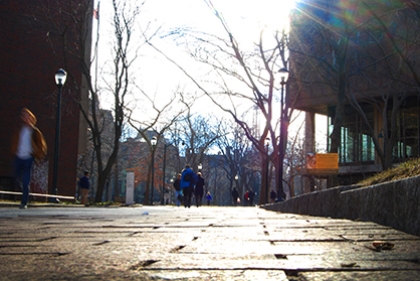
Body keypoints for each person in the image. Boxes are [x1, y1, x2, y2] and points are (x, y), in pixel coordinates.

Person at [11, 108, 47, 209]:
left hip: (28, 158)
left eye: (27, 115)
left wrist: (38, 154)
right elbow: (15, 142)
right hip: (18, 156)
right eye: (23, 116)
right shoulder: (19, 130)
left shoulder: (35, 132)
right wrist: (14, 151)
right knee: (15, 177)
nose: (25, 117)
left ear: (31, 117)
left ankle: (24, 202)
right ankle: (19, 195)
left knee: (26, 180)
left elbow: (41, 145)